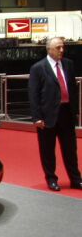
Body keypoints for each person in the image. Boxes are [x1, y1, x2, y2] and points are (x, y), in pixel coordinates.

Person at [28, 36, 82, 191]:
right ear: (49, 49)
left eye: (63, 47)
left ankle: (76, 179)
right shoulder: (38, 68)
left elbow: (72, 90)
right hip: (46, 116)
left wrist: (75, 112)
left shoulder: (68, 65)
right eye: (58, 47)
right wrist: (37, 117)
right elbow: (33, 94)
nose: (62, 50)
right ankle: (51, 179)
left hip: (66, 113)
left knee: (70, 149)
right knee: (47, 150)